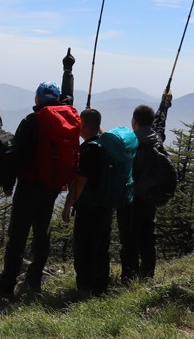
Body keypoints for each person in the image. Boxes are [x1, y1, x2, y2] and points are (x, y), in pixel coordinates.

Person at [0, 49, 78, 299]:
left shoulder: (33, 121)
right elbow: (69, 95)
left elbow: (15, 156)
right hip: (53, 186)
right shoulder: (66, 116)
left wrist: (7, 184)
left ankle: (5, 287)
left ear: (39, 98)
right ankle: (34, 282)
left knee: (17, 236)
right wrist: (68, 70)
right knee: (42, 233)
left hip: (29, 185)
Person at [117, 93, 171, 283]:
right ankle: (147, 277)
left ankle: (128, 278)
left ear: (134, 121)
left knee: (129, 240)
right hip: (149, 199)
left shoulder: (129, 142)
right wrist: (164, 105)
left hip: (130, 201)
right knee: (148, 239)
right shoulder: (157, 140)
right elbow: (160, 124)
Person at [62, 108, 112, 296]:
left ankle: (84, 290)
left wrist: (68, 205)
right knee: (101, 248)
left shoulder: (88, 150)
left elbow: (80, 182)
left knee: (84, 250)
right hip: (105, 206)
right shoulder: (105, 145)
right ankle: (101, 288)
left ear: (82, 124)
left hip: (89, 208)